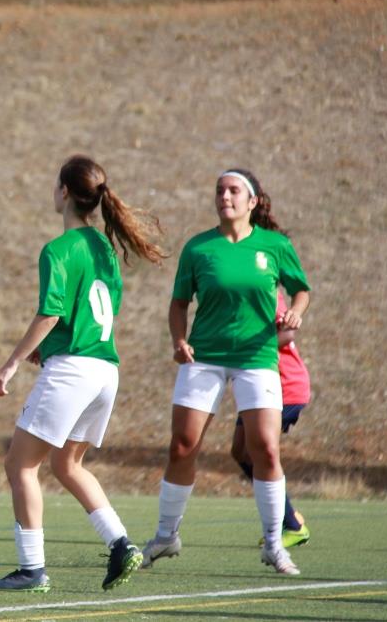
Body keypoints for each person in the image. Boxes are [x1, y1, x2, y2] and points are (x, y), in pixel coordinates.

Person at [0, 155, 165, 593]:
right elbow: (95, 310)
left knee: (19, 464)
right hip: (105, 369)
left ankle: (31, 569)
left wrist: (10, 363)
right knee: (67, 463)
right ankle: (121, 543)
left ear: (64, 192)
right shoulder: (105, 248)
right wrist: (49, 347)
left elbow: (51, 312)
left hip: (75, 369)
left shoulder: (58, 249)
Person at [140, 168, 311, 576]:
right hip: (206, 356)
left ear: (252, 202)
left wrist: (296, 312)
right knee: (182, 445)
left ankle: (275, 544)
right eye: (220, 190)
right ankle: (166, 536)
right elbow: (179, 303)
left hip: (257, 356)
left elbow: (301, 289)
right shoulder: (199, 248)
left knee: (265, 448)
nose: (225, 196)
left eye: (234, 190)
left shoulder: (275, 246)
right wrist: (179, 341)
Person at [230, 288, 312, 548]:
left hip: (285, 387)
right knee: (240, 451)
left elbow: (287, 333)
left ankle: (291, 525)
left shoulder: (265, 288)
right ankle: (289, 517)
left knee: (260, 451)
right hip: (260, 388)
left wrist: (241, 349)